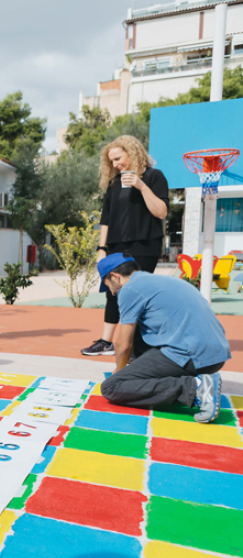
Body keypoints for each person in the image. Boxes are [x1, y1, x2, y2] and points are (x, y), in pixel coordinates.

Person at [99, 253, 229, 424]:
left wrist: (120, 372)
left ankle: (197, 389)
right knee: (139, 328)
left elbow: (123, 344)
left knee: (112, 387)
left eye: (108, 286)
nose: (111, 292)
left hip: (193, 355)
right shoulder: (163, 281)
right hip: (215, 354)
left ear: (115, 277)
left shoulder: (129, 289)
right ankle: (196, 382)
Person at [81, 135, 169, 357]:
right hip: (116, 246)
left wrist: (140, 185)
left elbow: (161, 211)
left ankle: (137, 348)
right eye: (111, 161)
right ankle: (106, 342)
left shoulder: (154, 176)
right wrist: (102, 249)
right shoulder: (114, 183)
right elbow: (106, 219)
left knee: (137, 294)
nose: (114, 164)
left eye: (118, 158)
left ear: (132, 152)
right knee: (112, 292)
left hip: (145, 244)